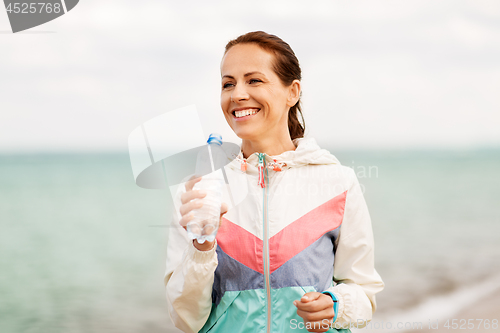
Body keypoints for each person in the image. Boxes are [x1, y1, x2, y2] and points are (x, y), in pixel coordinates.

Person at [164, 31, 384, 333]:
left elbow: (364, 292)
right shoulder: (200, 193)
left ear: (292, 92)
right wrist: (202, 246)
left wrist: (335, 305)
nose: (237, 94)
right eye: (228, 83)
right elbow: (186, 320)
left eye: (254, 80)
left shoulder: (337, 182)